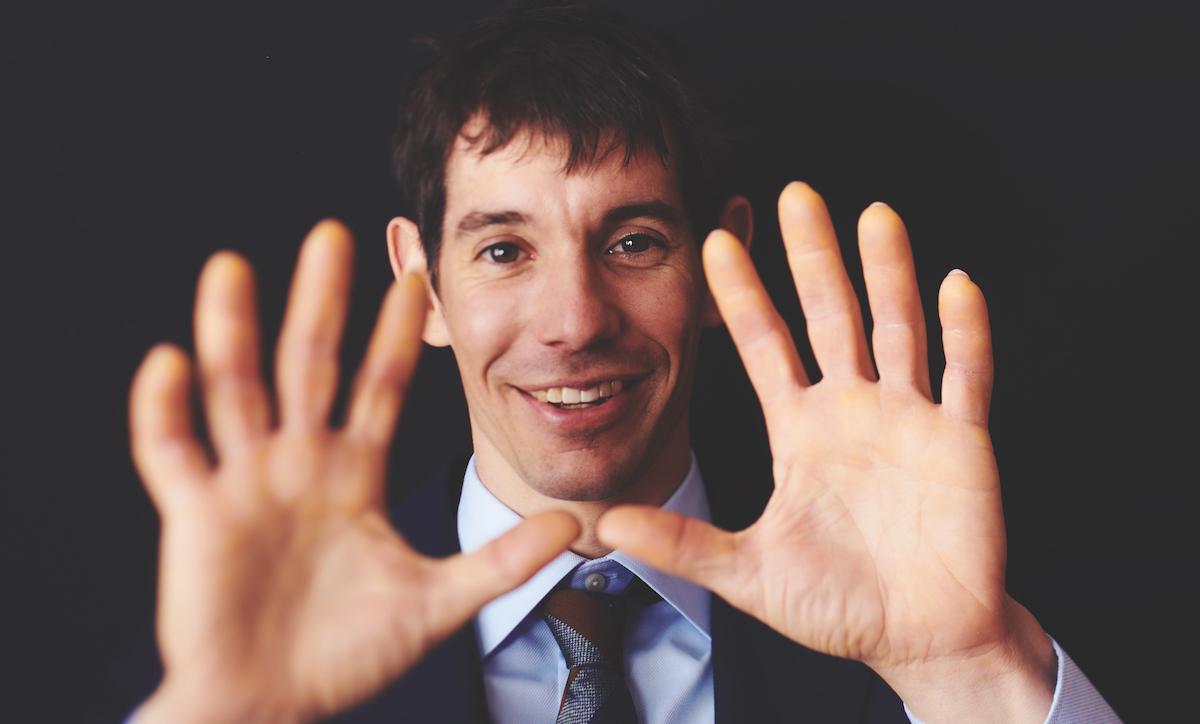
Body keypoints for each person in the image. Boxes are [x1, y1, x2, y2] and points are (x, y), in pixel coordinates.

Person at [122, 3, 1119, 722]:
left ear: (718, 263)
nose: (573, 321)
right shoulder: (280, 639)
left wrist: (971, 668)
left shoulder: (898, 627)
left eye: (633, 241)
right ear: (424, 287)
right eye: (504, 250)